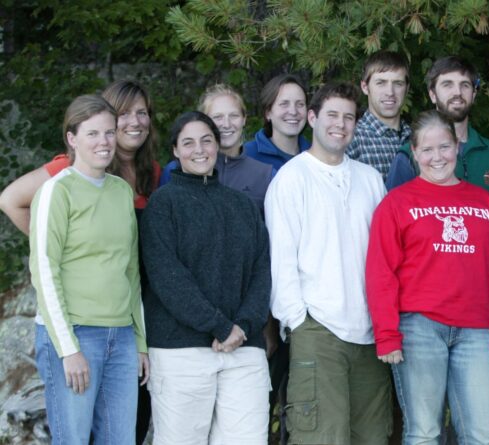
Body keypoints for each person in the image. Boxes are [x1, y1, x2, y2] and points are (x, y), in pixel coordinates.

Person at [1, 80, 161, 444]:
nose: (104, 142)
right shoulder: (56, 191)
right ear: (72, 139)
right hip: (75, 335)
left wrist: (139, 342)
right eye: (92, 134)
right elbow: (45, 270)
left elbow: (130, 272)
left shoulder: (122, 191)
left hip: (120, 337)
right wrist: (68, 349)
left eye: (108, 132)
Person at [367, 110, 489, 445]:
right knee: (424, 432)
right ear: (415, 153)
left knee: (482, 433)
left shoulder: (484, 203)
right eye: (427, 149)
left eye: (445, 147)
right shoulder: (397, 203)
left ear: (457, 148)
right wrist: (387, 333)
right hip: (418, 327)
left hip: (475, 332)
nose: (437, 157)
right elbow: (381, 272)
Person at [265, 82, 392, 444]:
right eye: (332, 115)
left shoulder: (369, 180)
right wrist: (298, 322)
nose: (340, 124)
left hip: (369, 333)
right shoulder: (292, 178)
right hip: (318, 330)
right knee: (321, 438)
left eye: (349, 117)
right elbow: (281, 260)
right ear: (312, 118)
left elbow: (384, 257)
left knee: (372, 437)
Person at [141, 111, 272, 444]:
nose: (199, 150)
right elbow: (167, 277)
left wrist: (242, 326)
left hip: (244, 349)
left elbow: (261, 272)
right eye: (188, 142)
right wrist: (220, 326)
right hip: (181, 352)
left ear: (218, 145)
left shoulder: (242, 206)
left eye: (206, 140)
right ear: (174, 151)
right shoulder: (162, 205)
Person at [1, 80, 161, 234]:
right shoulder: (73, 166)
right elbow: (10, 200)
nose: (135, 122)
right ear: (106, 118)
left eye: (141, 113)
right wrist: (56, 247)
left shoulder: (154, 170)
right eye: (124, 113)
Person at [385, 56, 489, 209]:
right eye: (447, 85)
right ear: (432, 95)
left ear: (474, 94)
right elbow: (392, 216)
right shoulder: (411, 156)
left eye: (465, 85)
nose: (457, 92)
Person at [159, 84, 275, 208]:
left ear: (244, 119)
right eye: (217, 117)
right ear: (203, 121)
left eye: (234, 116)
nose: (226, 124)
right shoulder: (176, 170)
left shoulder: (265, 174)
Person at [348, 50, 413, 179]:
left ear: (407, 88)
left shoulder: (417, 137)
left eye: (398, 83)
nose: (390, 92)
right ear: (365, 87)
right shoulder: (352, 139)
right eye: (381, 83)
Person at [243, 73, 312, 170]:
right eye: (284, 104)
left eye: (300, 104)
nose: (293, 111)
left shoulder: (316, 156)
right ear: (268, 113)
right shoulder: (247, 156)